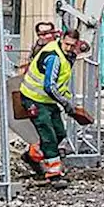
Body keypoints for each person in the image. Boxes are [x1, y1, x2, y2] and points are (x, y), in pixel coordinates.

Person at [19, 29, 82, 189]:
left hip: (46, 100)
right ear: (61, 39)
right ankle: (53, 174)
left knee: (60, 133)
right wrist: (65, 103)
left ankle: (33, 155)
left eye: (72, 45)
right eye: (67, 44)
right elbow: (49, 86)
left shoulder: (65, 55)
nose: (69, 48)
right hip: (34, 99)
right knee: (49, 135)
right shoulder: (54, 56)